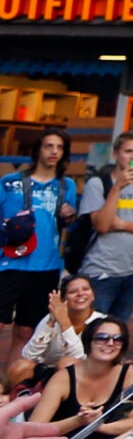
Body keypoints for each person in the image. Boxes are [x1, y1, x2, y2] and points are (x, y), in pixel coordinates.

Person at [31, 315, 133, 439]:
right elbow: (34, 429)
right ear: (88, 341)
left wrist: (100, 426)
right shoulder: (64, 377)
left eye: (118, 339)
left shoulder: (129, 372)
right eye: (102, 338)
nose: (110, 343)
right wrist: (79, 421)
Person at [0, 129, 76, 373]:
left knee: (26, 329)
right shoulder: (9, 182)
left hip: (46, 266)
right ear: (37, 149)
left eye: (59, 147)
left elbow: (68, 221)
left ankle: (10, 383)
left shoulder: (67, 185)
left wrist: (68, 215)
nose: (54, 151)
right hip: (9, 262)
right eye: (48, 146)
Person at [76, 129, 133, 323]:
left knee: (118, 330)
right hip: (100, 270)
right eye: (129, 152)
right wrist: (117, 187)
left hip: (131, 271)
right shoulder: (99, 184)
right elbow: (103, 226)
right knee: (94, 328)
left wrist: (121, 224)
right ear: (116, 154)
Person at [12, 276, 103, 393]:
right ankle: (19, 404)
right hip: (47, 371)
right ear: (63, 299)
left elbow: (81, 358)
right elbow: (28, 356)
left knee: (67, 364)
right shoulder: (50, 319)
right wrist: (50, 322)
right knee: (20, 366)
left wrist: (65, 324)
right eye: (73, 291)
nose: (80, 294)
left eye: (85, 289)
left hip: (84, 374)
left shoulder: (101, 322)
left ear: (93, 295)